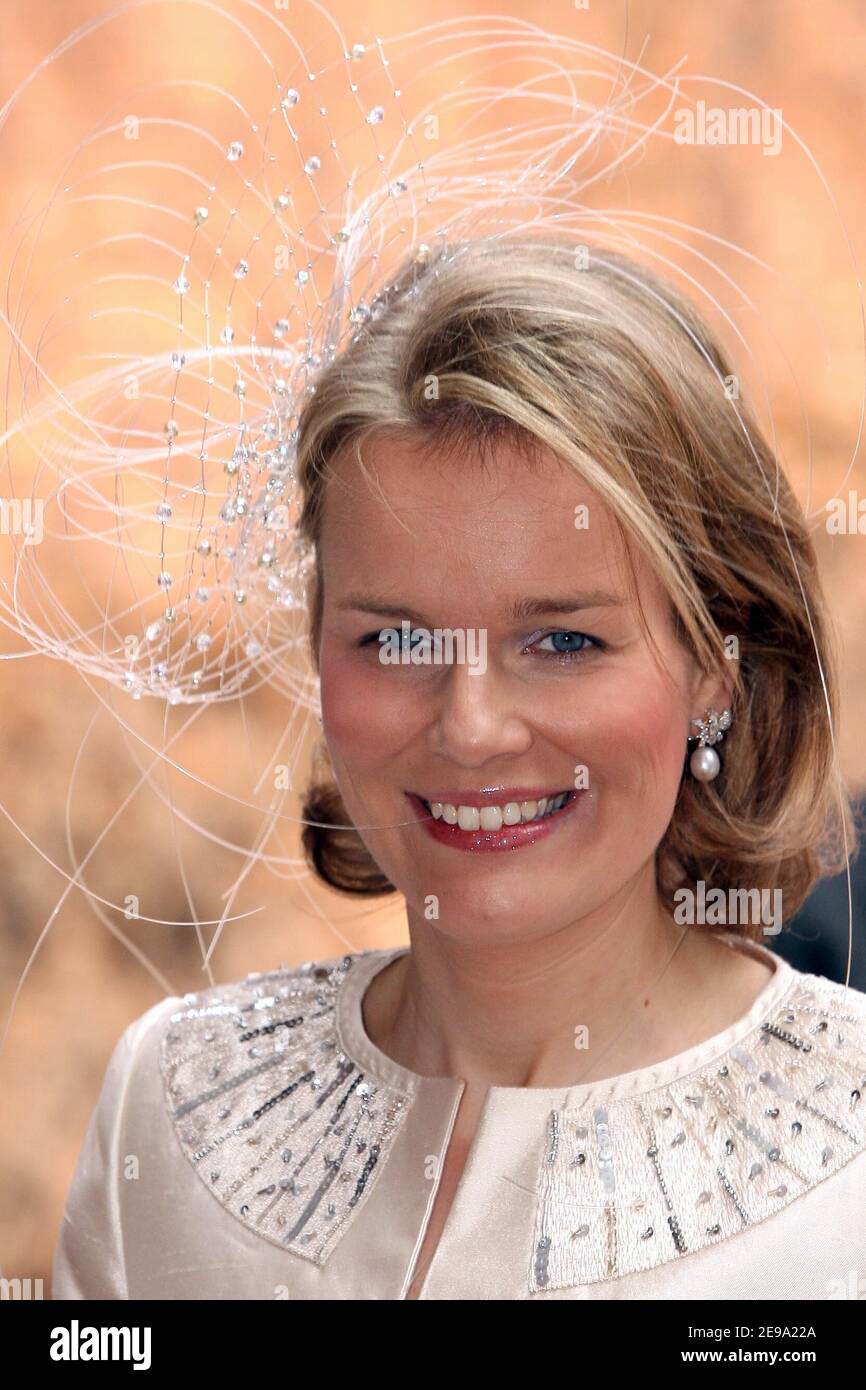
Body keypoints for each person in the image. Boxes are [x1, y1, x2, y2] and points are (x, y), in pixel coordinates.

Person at [52, 238, 866, 1300]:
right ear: (315, 646)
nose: (471, 727)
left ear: (715, 667)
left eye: (562, 641)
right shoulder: (175, 1101)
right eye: (395, 641)